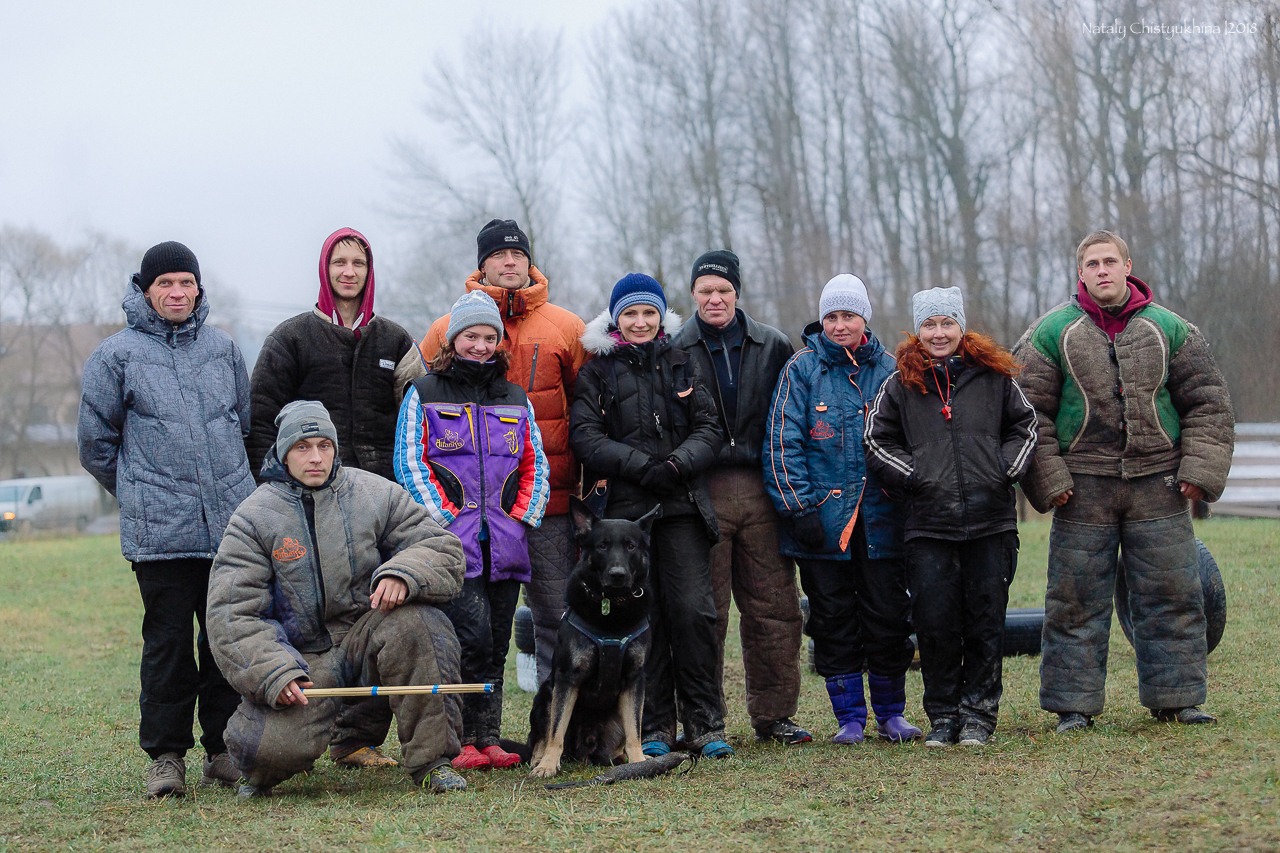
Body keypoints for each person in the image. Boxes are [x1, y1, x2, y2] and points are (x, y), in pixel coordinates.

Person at [1015, 230, 1235, 732]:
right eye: (1092, 264)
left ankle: (1178, 700)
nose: (1102, 270)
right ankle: (1073, 707)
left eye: (1109, 261)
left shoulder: (1171, 329)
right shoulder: (1050, 332)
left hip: (1159, 482)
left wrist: (1199, 471)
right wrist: (1050, 478)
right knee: (1073, 600)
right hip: (1082, 488)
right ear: (1081, 273)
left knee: (1173, 594)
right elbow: (1027, 412)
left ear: (1127, 266)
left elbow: (1208, 402)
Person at [208, 400, 470, 795]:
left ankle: (434, 762)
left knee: (421, 624)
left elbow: (442, 547)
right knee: (264, 755)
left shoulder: (376, 493)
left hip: (369, 632)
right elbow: (232, 615)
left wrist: (403, 573)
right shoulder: (253, 517)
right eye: (302, 447)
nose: (315, 457)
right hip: (302, 659)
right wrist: (276, 673)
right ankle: (305, 744)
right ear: (283, 453)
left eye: (324, 446)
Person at [78, 241, 254, 798]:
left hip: (229, 531)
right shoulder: (115, 356)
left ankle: (223, 751)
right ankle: (167, 758)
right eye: (165, 284)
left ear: (198, 289)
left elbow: (244, 428)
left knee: (225, 644)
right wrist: (140, 493)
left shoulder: (224, 350)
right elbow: (95, 445)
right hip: (161, 537)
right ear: (146, 290)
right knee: (169, 647)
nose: (177, 293)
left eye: (186, 283)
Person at [245, 227, 417, 768]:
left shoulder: (394, 341)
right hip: (308, 505)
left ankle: (357, 739)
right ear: (325, 269)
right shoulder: (292, 338)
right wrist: (274, 492)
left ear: (369, 271)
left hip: (379, 501)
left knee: (381, 610)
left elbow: (418, 417)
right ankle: (300, 721)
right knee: (318, 619)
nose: (349, 272)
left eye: (358, 263)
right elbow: (260, 420)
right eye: (339, 262)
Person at [411, 219, 587, 689]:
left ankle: (555, 717)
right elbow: (422, 402)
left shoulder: (567, 327)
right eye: (498, 255)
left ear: (530, 262)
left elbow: (586, 408)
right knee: (473, 625)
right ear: (482, 263)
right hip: (466, 512)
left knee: (555, 614)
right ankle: (470, 718)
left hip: (548, 500)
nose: (509, 262)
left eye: (518, 254)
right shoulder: (443, 328)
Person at [864, 286, 1037, 747]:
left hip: (991, 523)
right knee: (935, 625)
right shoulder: (900, 384)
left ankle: (978, 715)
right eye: (929, 324)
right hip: (928, 526)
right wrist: (917, 475)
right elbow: (877, 440)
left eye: (947, 323)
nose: (938, 333)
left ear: (961, 327)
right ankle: (942, 716)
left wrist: (1004, 471)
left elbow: (1025, 428)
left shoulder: (995, 377)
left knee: (985, 622)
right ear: (917, 331)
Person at [570, 273, 732, 759]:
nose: (640, 322)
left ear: (661, 317)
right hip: (624, 516)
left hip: (682, 506)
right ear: (616, 319)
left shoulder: (684, 362)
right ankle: (655, 724)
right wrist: (642, 466)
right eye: (630, 313)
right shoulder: (596, 373)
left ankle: (705, 724)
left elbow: (710, 427)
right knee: (646, 615)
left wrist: (677, 464)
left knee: (694, 612)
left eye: (648, 313)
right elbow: (585, 437)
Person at [763, 274, 922, 745]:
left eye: (848, 315)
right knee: (832, 621)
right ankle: (849, 718)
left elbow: (913, 440)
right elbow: (782, 442)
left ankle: (891, 713)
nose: (839, 325)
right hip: (821, 524)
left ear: (864, 319)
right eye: (831, 316)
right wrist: (800, 509)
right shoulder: (801, 369)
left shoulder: (893, 369)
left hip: (883, 523)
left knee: (889, 618)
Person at [395, 290, 550, 771]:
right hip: (451, 545)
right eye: (471, 336)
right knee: (467, 637)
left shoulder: (515, 398)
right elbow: (409, 462)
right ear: (452, 339)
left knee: (497, 641)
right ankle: (457, 738)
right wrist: (445, 520)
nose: (480, 346)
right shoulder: (425, 392)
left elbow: (535, 463)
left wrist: (521, 515)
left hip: (505, 543)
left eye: (488, 337)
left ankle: (489, 737)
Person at [671, 250, 810, 746]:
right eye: (705, 290)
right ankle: (704, 719)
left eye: (724, 290)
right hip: (700, 490)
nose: (715, 299)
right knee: (703, 612)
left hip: (762, 486)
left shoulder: (773, 344)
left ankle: (775, 715)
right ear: (693, 293)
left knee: (775, 607)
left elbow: (792, 414)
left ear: (737, 293)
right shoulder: (674, 347)